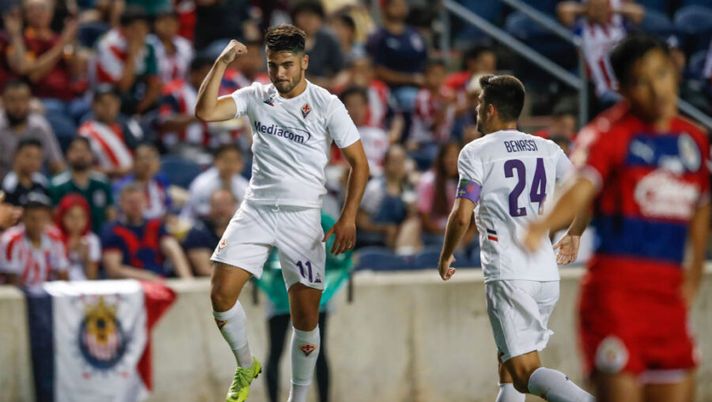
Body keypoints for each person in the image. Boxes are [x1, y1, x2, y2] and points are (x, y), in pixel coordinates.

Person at [523, 34, 710, 402]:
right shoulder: (608, 135)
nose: (657, 90)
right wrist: (543, 224)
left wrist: (689, 286)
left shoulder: (694, 142)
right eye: (641, 81)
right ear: (621, 89)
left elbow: (700, 220)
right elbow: (579, 187)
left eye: (661, 74)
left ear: (674, 72)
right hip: (617, 297)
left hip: (667, 300)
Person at [194, 24, 369, 402]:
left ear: (304, 62)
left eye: (288, 65)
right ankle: (245, 365)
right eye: (273, 65)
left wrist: (348, 216)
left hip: (302, 217)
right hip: (256, 209)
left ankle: (298, 398)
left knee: (306, 318)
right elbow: (206, 111)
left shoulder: (327, 103)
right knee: (220, 295)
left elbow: (360, 164)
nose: (280, 74)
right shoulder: (257, 95)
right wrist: (222, 62)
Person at [437, 74, 594, 402]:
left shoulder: (476, 151)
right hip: (545, 274)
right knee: (507, 363)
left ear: (491, 110)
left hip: (509, 271)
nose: (476, 112)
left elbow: (462, 214)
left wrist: (446, 254)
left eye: (479, 105)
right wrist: (575, 233)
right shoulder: (547, 148)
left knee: (524, 374)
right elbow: (586, 192)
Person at [257, 212, 353, 402]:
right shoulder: (272, 218)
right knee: (277, 350)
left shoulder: (321, 219)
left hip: (315, 295)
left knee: (317, 350)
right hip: (280, 293)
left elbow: (338, 254)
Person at [101, 183, 192, 281]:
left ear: (146, 202)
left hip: (159, 280)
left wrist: (186, 280)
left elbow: (173, 250)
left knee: (172, 245)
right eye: (131, 202)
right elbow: (114, 269)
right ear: (121, 203)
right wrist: (148, 277)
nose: (135, 206)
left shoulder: (155, 226)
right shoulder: (112, 231)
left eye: (138, 201)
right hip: (131, 284)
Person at [49, 136, 116, 234]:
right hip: (67, 240)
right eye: (76, 151)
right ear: (68, 155)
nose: (80, 155)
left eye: (84, 151)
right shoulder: (57, 185)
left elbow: (111, 215)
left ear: (91, 155)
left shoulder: (102, 182)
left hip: (98, 239)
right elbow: (53, 218)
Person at [0, 191, 69, 287]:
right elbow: (12, 281)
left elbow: (63, 274)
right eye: (32, 218)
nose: (38, 223)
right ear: (23, 217)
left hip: (49, 293)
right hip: (21, 295)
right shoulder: (10, 240)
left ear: (49, 218)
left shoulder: (55, 238)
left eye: (42, 218)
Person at [0, 79, 65, 179]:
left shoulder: (40, 126)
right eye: (12, 100)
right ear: (3, 101)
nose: (18, 106)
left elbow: (56, 163)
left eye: (23, 99)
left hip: (37, 183)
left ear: (30, 101)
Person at [78, 86, 137, 179]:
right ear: (93, 105)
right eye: (103, 103)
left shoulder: (126, 125)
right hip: (107, 183)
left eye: (112, 102)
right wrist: (117, 172)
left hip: (133, 180)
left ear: (118, 104)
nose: (108, 108)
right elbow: (82, 167)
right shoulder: (86, 132)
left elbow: (140, 149)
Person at [182, 144, 248, 221]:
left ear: (241, 164)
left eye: (234, 161)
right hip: (204, 227)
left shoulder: (245, 187)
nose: (230, 165)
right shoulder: (201, 183)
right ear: (215, 161)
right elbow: (190, 212)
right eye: (226, 160)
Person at [182, 189, 238, 277]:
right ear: (210, 207)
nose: (221, 210)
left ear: (234, 207)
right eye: (217, 205)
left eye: (225, 205)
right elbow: (204, 270)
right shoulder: (199, 232)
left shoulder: (239, 232)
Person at [113, 143, 172, 220]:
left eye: (152, 158)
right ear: (134, 163)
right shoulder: (121, 187)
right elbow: (117, 215)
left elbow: (168, 206)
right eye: (143, 159)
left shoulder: (161, 181)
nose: (148, 163)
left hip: (159, 227)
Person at [55, 194, 101, 280]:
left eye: (81, 217)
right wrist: (66, 251)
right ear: (62, 217)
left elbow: (92, 277)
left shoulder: (92, 240)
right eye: (71, 216)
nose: (76, 222)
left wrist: (87, 257)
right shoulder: (54, 238)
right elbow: (56, 276)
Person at [1, 138, 49, 207]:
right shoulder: (8, 186)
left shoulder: (43, 183)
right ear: (16, 156)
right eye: (28, 156)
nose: (33, 162)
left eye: (38, 157)